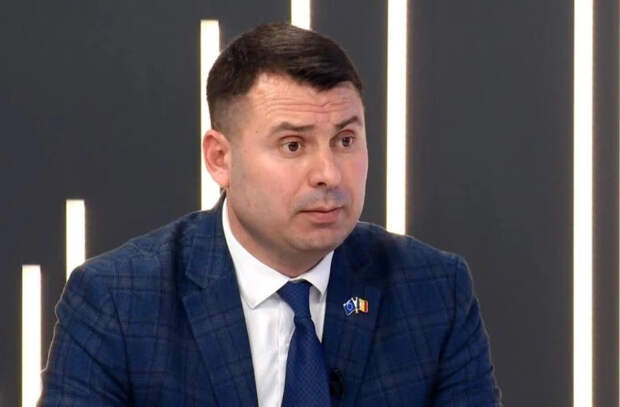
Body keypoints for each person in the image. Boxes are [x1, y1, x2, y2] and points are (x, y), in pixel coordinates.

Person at [39, 23, 501, 406]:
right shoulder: (117, 301)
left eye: (345, 140)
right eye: (293, 145)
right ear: (220, 158)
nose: (328, 174)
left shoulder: (434, 290)